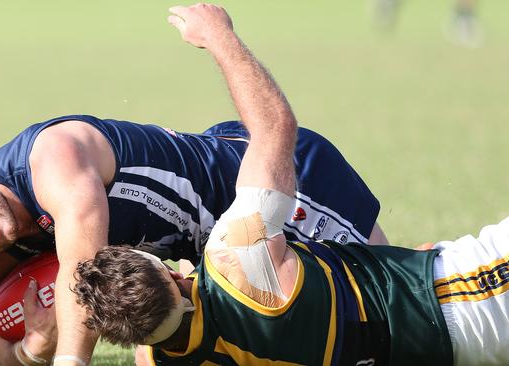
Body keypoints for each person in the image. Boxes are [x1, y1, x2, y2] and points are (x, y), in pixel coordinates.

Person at [0, 4, 387, 366]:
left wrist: (68, 358)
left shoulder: (52, 160)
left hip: (267, 180)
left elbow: (81, 270)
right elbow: (0, 350)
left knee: (390, 313)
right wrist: (35, 345)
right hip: (220, 252)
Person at [74, 9, 507, 366]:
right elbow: (275, 127)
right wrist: (219, 38)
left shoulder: (158, 360)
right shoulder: (237, 258)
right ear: (171, 271)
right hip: (463, 301)